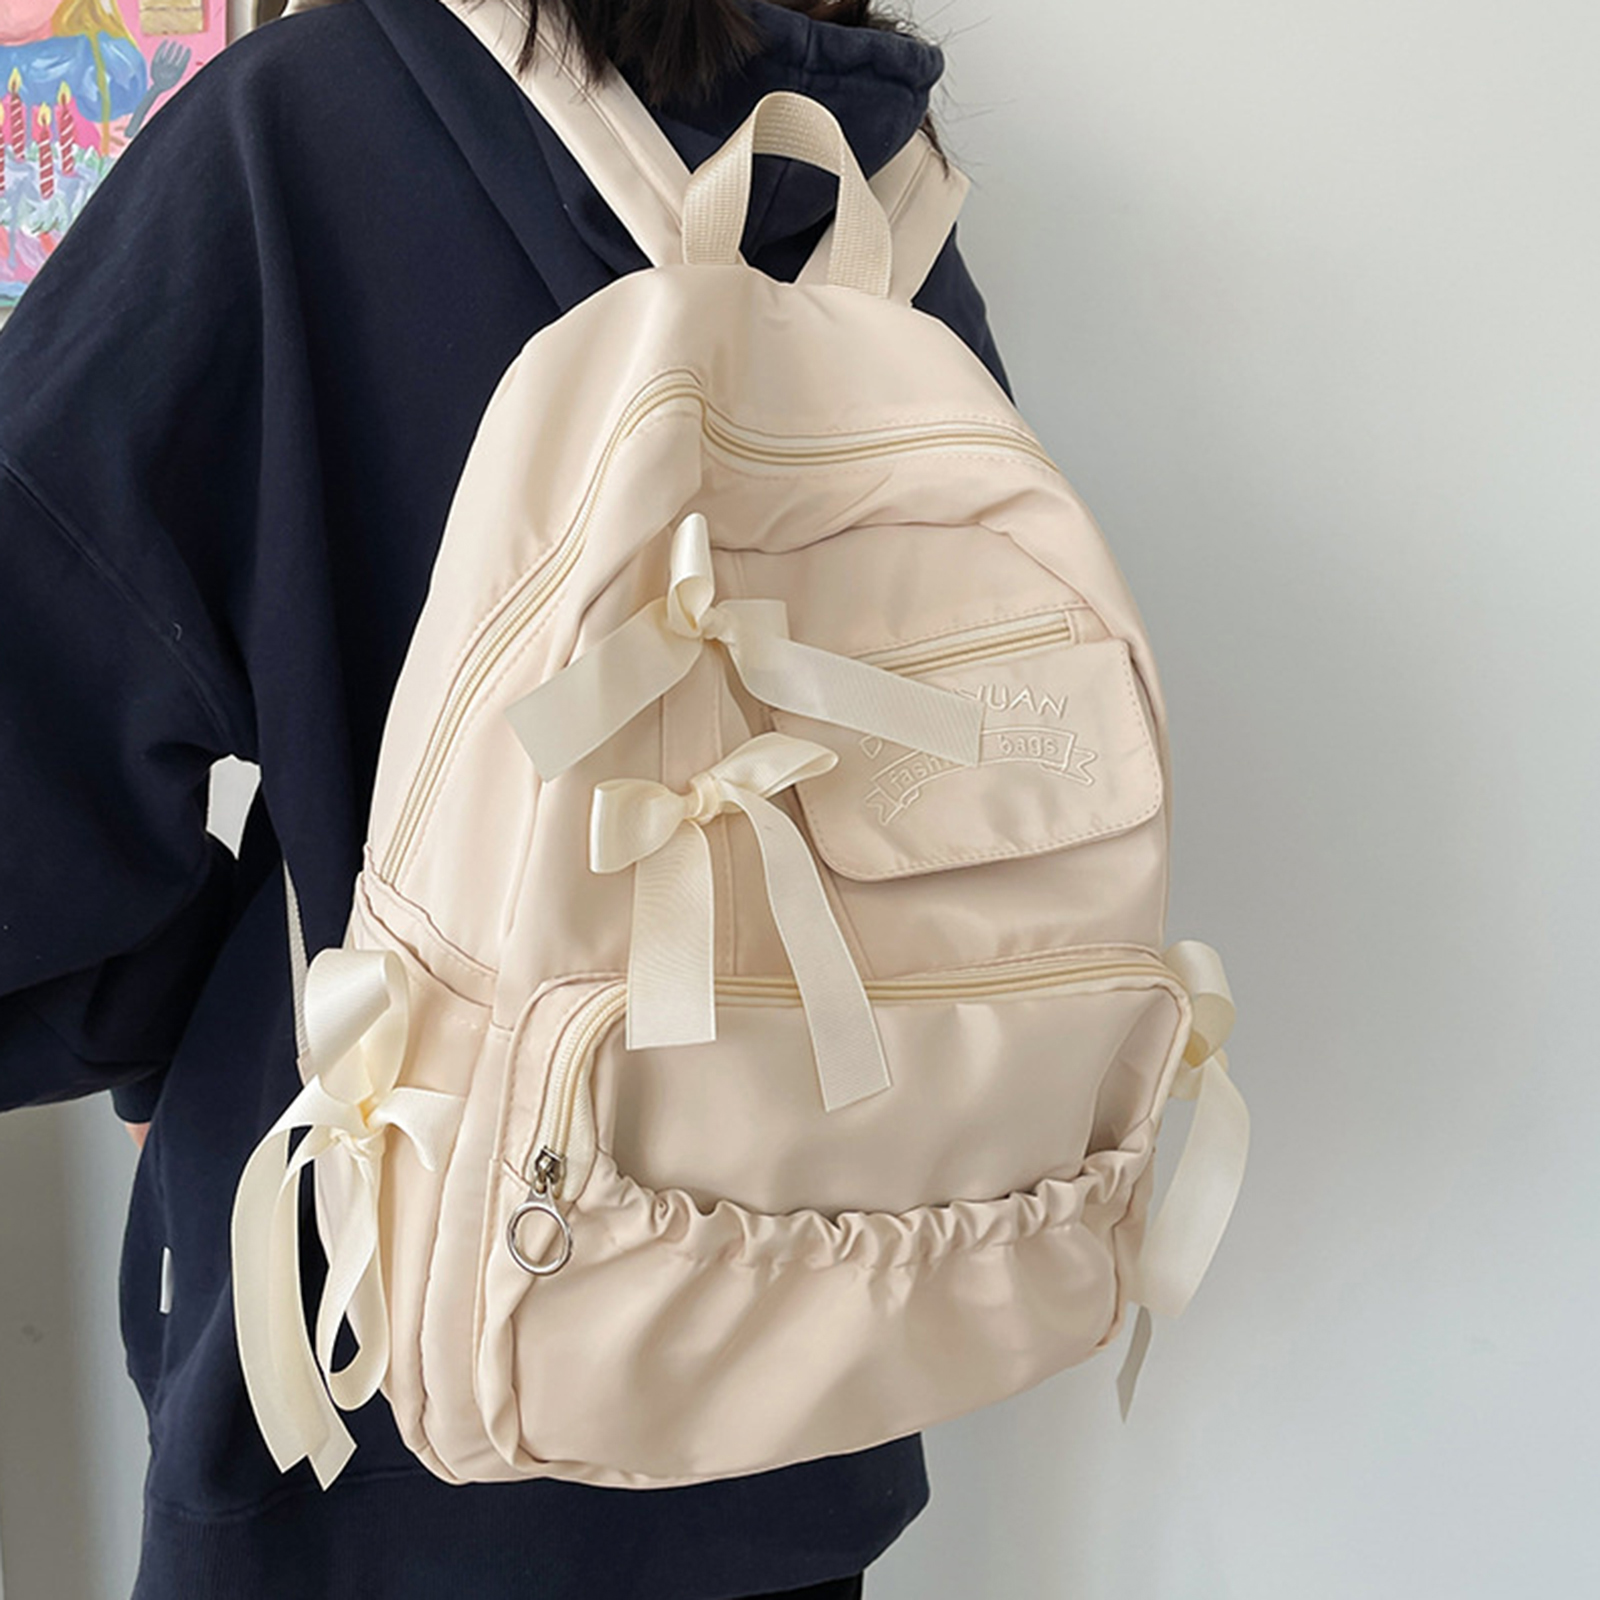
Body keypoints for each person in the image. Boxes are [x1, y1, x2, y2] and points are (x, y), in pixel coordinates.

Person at [0, 0, 1011, 1594]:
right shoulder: (876, 202)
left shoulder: (304, 139)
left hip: (376, 1415)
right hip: (797, 1365)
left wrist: (172, 1018)